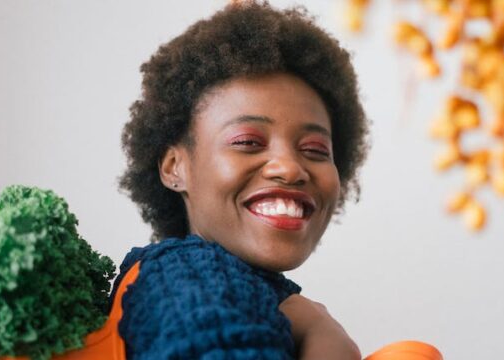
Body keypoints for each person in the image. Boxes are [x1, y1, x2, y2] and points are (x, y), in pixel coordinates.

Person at [115, 1, 369, 359]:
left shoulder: (248, 290)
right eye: (248, 142)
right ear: (175, 167)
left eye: (314, 150)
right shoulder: (185, 277)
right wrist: (322, 331)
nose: (290, 168)